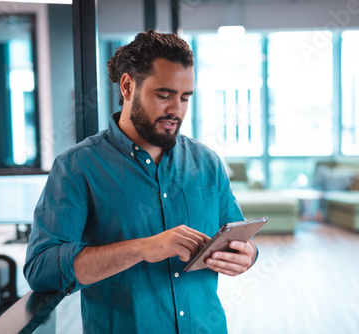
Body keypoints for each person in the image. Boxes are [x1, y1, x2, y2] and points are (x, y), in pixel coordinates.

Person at [24, 30, 258, 334]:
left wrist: (247, 256)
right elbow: (42, 269)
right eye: (164, 96)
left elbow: (237, 236)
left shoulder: (207, 163)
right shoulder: (77, 168)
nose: (177, 110)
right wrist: (143, 248)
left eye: (185, 98)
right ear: (127, 86)